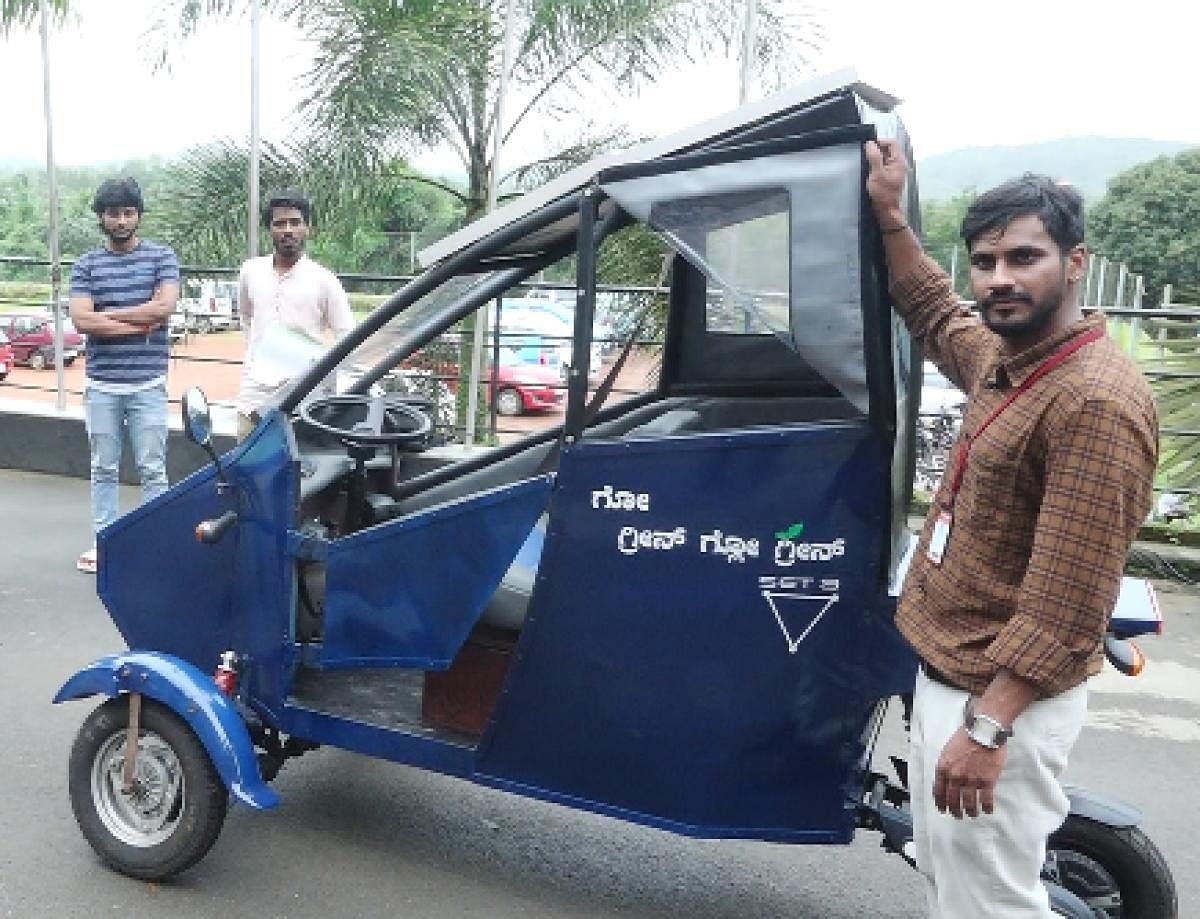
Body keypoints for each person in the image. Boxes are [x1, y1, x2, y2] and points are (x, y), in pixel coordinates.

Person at [863, 139, 1158, 918]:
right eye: (985, 260)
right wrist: (890, 214)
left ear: (1075, 261)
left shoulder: (1092, 401)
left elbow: (1069, 600)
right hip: (958, 680)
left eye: (1023, 256)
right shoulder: (1011, 358)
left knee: (989, 903)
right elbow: (932, 310)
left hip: (996, 702)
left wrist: (988, 729)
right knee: (955, 885)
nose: (998, 278)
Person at [70, 177, 180, 574]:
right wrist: (141, 319)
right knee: (104, 466)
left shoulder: (161, 258)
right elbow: (81, 320)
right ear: (102, 217)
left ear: (138, 215)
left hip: (148, 383)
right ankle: (106, 543)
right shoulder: (86, 264)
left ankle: (155, 542)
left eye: (128, 212)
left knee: (153, 467)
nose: (121, 220)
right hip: (102, 385)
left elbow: (164, 307)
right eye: (113, 213)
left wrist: (107, 317)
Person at [235, 190, 355, 437]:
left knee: (297, 472)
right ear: (269, 229)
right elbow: (246, 318)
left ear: (307, 228)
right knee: (247, 468)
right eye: (279, 223)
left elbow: (347, 335)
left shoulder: (324, 280)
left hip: (303, 401)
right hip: (253, 397)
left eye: (295, 222)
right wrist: (257, 357)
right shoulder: (250, 271)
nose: (287, 230)